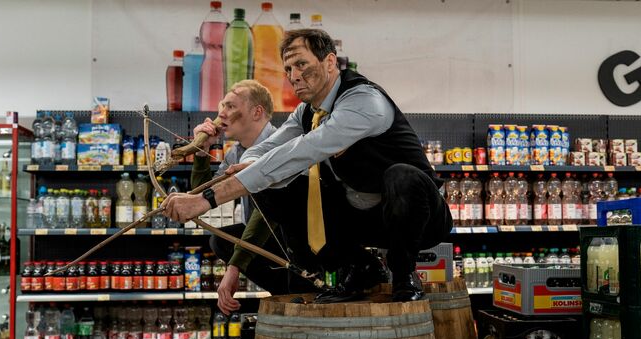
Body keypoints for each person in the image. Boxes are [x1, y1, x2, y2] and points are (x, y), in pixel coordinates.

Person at [163, 28, 451, 304]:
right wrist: (249, 163)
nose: (294, 76)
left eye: (301, 64)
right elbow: (269, 146)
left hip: (421, 218)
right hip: (366, 218)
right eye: (288, 69)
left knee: (402, 176)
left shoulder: (362, 101)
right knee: (274, 188)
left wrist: (206, 200)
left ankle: (403, 274)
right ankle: (361, 267)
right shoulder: (306, 113)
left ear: (329, 62)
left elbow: (302, 150)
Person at [190, 79, 317, 313]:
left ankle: (303, 295)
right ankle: (284, 296)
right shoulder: (235, 153)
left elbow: (270, 209)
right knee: (220, 240)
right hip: (262, 238)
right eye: (221, 106)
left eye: (230, 106)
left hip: (300, 241)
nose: (221, 113)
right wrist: (202, 152)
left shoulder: (284, 145)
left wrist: (235, 267)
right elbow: (199, 201)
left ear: (257, 111)